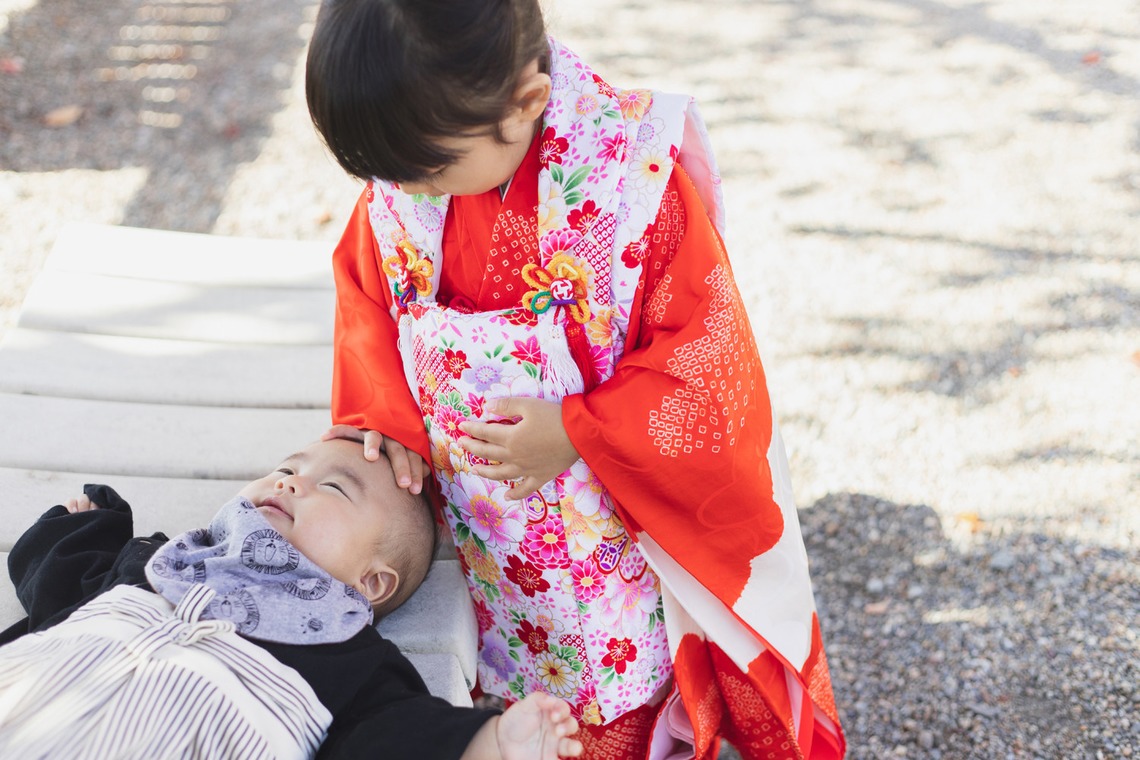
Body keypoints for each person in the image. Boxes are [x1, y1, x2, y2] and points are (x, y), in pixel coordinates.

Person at [305, 1, 846, 757]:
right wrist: (386, 419)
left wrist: (576, 430)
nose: (408, 191)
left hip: (606, 539)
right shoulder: (415, 163)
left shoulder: (630, 186)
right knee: (488, 706)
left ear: (526, 103)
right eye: (388, 175)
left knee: (608, 714)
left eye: (427, 169)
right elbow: (366, 295)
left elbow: (705, 365)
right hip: (473, 526)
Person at [0, 438, 582, 760]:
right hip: (40, 688)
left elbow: (392, 734)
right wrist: (82, 531)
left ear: (371, 582)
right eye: (286, 468)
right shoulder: (165, 561)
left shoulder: (347, 655)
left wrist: (484, 742)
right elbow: (64, 592)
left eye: (331, 487)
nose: (288, 481)